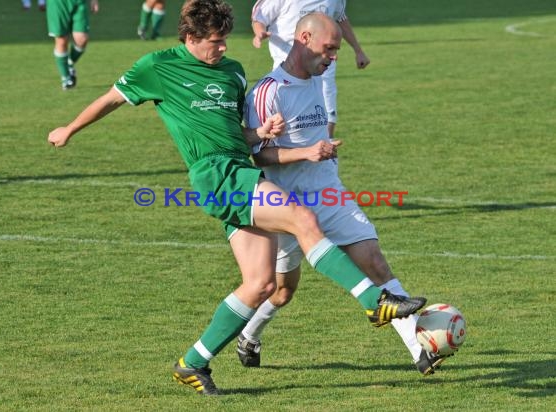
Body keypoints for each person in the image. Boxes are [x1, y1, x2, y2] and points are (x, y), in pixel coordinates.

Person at [47, 0, 426, 396]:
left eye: (226, 39)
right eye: (215, 41)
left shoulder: (232, 72)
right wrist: (69, 129)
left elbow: (235, 135)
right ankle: (372, 301)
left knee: (261, 285)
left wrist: (261, 132)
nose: (224, 48)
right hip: (216, 174)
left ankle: (192, 361)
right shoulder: (157, 67)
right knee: (301, 219)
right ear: (190, 38)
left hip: (241, 170)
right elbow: (110, 98)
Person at [240, 11, 448, 377]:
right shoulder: (268, 91)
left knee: (375, 263)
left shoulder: (317, 80)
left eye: (336, 50)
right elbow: (257, 155)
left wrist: (322, 151)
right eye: (329, 49)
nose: (333, 57)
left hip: (329, 194)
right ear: (304, 40)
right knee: (281, 291)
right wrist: (307, 152)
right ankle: (249, 336)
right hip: (285, 205)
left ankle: (421, 349)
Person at [251, 0, 369, 139]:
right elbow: (259, 17)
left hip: (323, 63)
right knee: (287, 116)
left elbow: (340, 18)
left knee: (326, 110)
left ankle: (326, 147)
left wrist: (358, 50)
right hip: (287, 66)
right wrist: (260, 32)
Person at [46, 0, 99, 90]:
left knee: (82, 39)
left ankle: (69, 63)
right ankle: (66, 77)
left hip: (78, 2)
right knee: (61, 40)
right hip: (58, 3)